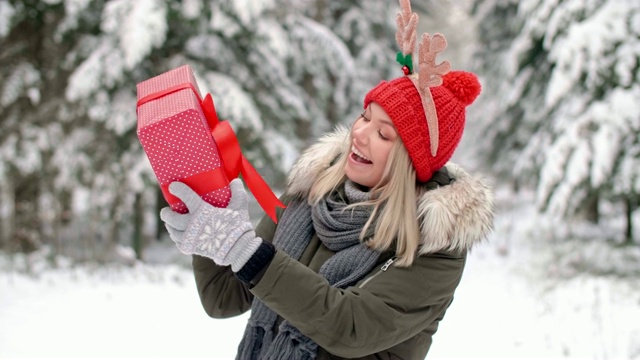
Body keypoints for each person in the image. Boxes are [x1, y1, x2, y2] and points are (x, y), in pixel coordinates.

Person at [159, 1, 494, 358]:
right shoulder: (312, 194)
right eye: (365, 117)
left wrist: (245, 251)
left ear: (412, 162)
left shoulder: (433, 243)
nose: (361, 134)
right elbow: (225, 297)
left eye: (384, 135)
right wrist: (211, 221)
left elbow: (350, 327)